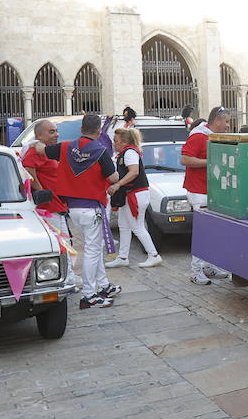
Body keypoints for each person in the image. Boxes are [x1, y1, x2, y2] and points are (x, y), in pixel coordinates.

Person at [33, 114, 122, 308]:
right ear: (99, 132)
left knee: (94, 247)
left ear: (81, 129)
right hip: (92, 208)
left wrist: (33, 143)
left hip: (73, 209)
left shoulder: (65, 147)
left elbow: (40, 148)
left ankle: (103, 285)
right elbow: (114, 178)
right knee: (92, 250)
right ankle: (89, 294)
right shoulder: (100, 150)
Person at [21, 119, 82, 289]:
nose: (56, 134)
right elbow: (27, 169)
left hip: (58, 204)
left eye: (56, 131)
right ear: (39, 135)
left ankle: (69, 274)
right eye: (51, 131)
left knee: (65, 242)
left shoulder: (46, 150)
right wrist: (41, 190)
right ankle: (67, 277)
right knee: (60, 244)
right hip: (49, 207)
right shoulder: (35, 151)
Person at [181, 106, 231, 285]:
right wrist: (209, 162)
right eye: (226, 121)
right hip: (198, 192)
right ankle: (195, 271)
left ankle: (208, 267)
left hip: (210, 192)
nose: (227, 125)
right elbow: (185, 159)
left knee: (212, 232)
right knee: (203, 232)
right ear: (217, 120)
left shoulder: (211, 136)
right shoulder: (198, 136)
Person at [105, 127, 163, 269]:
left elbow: (134, 172)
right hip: (131, 193)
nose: (114, 143)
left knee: (137, 226)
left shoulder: (129, 153)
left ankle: (154, 255)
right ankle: (123, 257)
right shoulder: (125, 153)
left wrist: (117, 184)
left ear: (124, 142)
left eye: (116, 140)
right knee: (123, 225)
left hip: (135, 194)